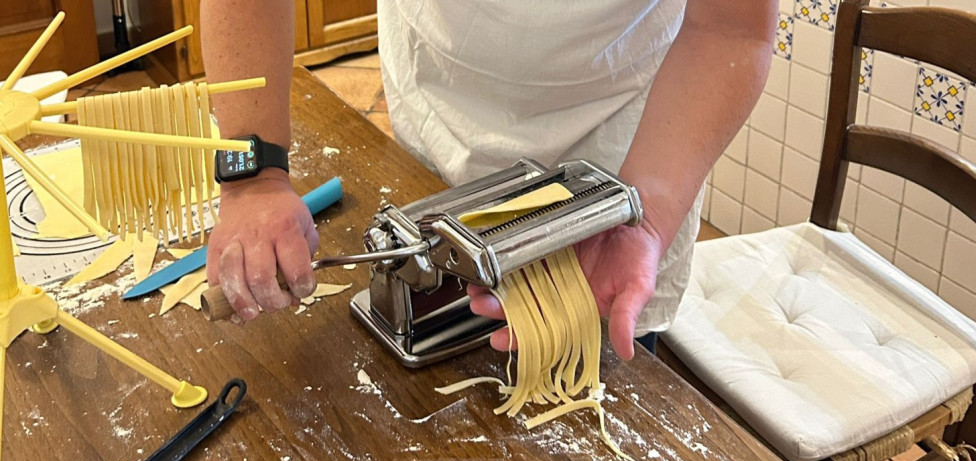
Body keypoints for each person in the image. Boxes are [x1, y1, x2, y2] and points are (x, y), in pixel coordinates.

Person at [201, 0, 778, 360]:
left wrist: (643, 216)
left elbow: (730, 29)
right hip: (439, 118)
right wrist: (253, 176)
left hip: (629, 155)